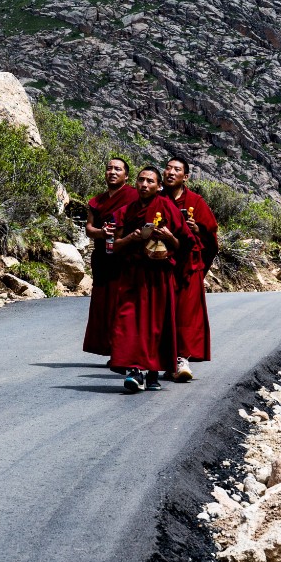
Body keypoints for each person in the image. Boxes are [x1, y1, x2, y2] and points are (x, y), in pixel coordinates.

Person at [108, 167, 192, 392]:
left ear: (158, 187)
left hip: (159, 275)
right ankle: (135, 371)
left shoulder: (169, 209)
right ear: (135, 183)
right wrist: (131, 238)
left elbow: (185, 243)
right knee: (127, 321)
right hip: (133, 273)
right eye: (141, 180)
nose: (144, 185)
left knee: (157, 324)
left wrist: (168, 236)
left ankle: (153, 373)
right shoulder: (126, 211)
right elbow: (114, 246)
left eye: (150, 181)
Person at [163, 157, 218, 382]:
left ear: (185, 177)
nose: (170, 172)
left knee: (186, 313)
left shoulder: (196, 201)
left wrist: (198, 229)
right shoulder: (156, 199)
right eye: (167, 168)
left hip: (189, 265)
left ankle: (181, 358)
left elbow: (211, 237)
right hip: (161, 263)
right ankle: (161, 358)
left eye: (177, 169)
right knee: (161, 313)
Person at [82, 157, 138, 361]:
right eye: (109, 168)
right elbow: (89, 228)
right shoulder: (97, 201)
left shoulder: (134, 196)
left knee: (123, 303)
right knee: (104, 304)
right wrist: (102, 233)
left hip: (127, 257)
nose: (112, 172)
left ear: (126, 175)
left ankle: (126, 350)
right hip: (103, 257)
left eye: (118, 169)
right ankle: (111, 349)